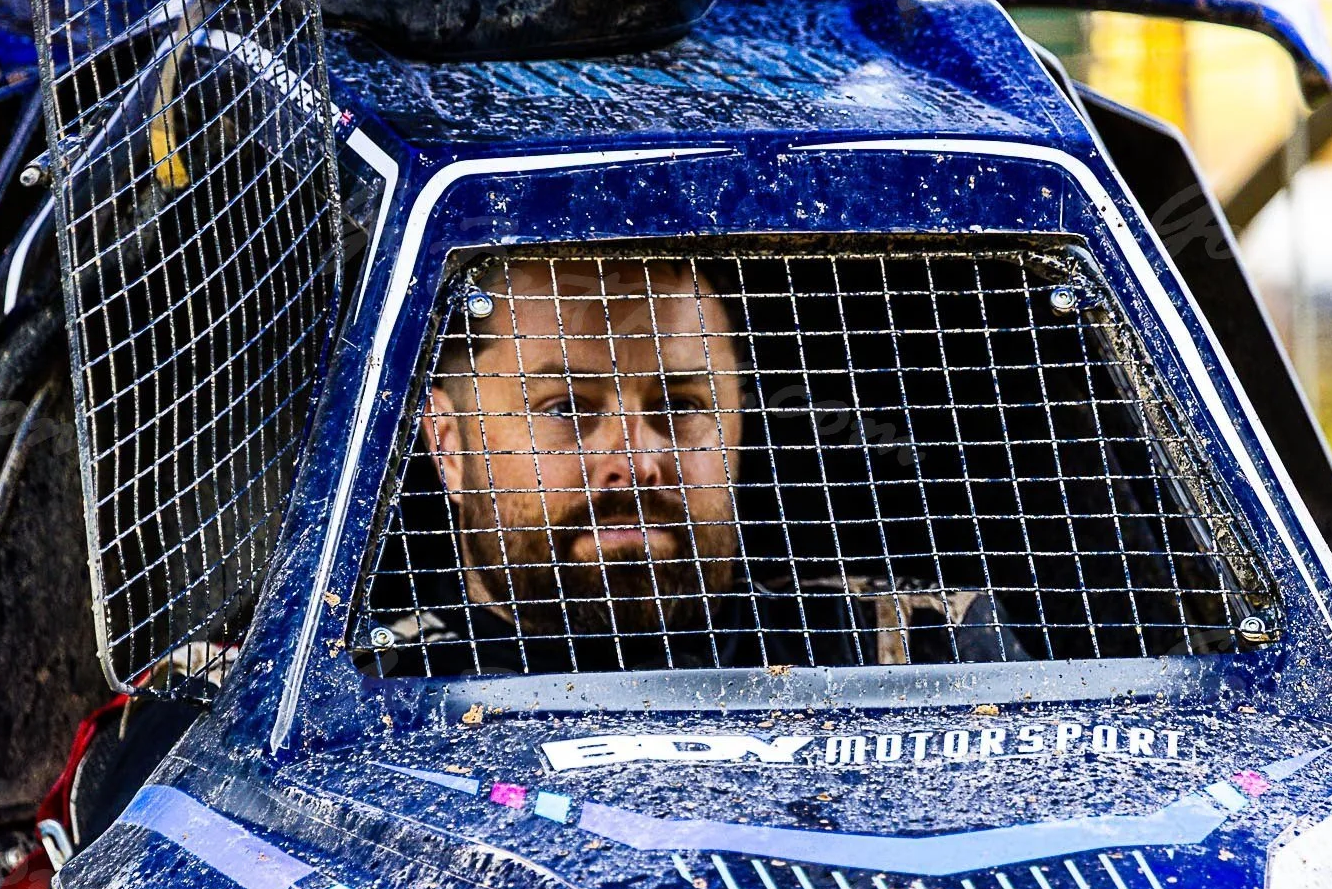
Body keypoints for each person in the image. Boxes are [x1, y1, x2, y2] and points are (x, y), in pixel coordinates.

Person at [365, 255, 1026, 676]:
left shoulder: (916, 648)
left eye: (679, 404)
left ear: (740, 425)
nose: (635, 460)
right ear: (448, 445)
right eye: (567, 407)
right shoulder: (374, 694)